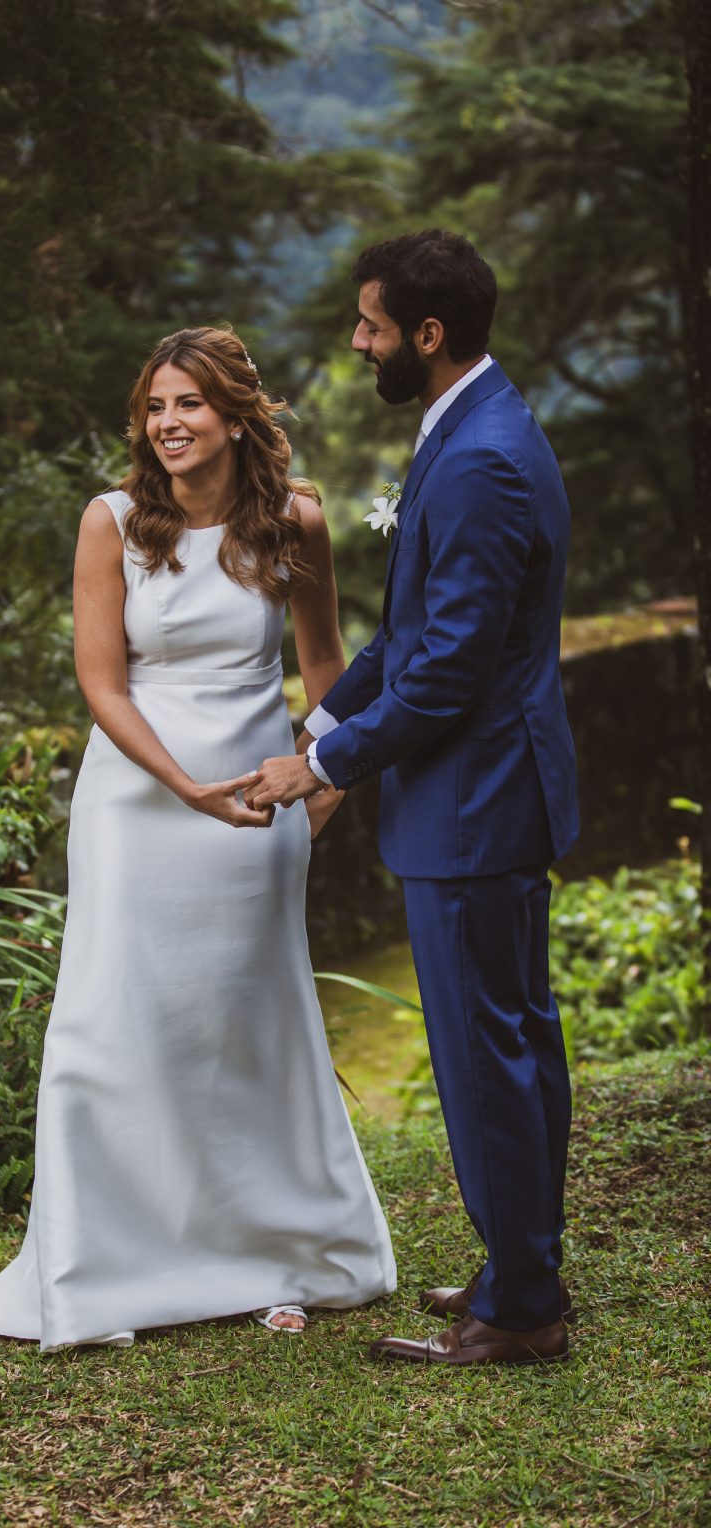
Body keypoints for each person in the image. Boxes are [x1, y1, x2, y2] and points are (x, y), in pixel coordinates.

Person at [0, 326, 396, 1350]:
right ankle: (113, 1262)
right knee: (118, 1020)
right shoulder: (110, 522)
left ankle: (281, 1248)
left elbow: (324, 665)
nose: (168, 423)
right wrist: (185, 787)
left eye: (188, 403)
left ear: (234, 414)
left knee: (246, 1022)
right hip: (137, 809)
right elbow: (101, 683)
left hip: (255, 812)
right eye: (155, 406)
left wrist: (328, 777)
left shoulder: (295, 520)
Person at [247, 230, 579, 1367]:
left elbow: (447, 671)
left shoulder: (479, 460)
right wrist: (322, 723)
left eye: (373, 325)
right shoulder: (475, 425)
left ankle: (522, 1310)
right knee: (514, 1040)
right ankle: (521, 1268)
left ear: (426, 335)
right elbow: (408, 635)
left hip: (474, 805)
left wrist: (325, 766)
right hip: (491, 796)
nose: (359, 342)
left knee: (487, 1054)